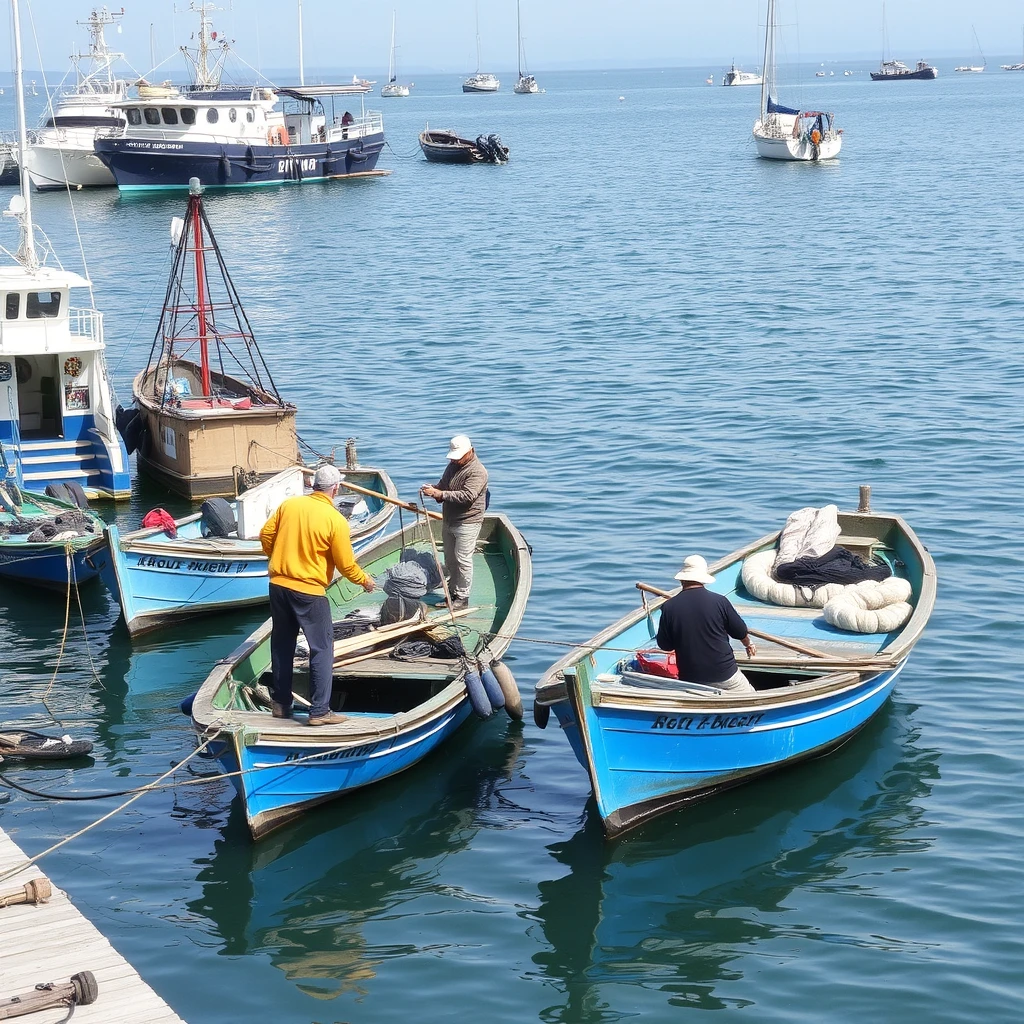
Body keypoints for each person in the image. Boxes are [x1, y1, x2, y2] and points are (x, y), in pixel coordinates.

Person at [260, 463, 375, 726]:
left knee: (282, 644)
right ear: (336, 489)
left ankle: (280, 704)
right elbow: (346, 565)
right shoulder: (335, 520)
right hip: (309, 592)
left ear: (313, 485)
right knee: (321, 649)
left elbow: (265, 534)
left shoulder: (290, 506)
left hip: (278, 585)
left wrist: (277, 556)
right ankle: (319, 711)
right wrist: (365, 581)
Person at [655, 554, 757, 693]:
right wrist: (748, 644)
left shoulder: (668, 607)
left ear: (682, 580)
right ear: (703, 579)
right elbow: (740, 632)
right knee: (750, 696)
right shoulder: (720, 602)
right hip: (725, 675)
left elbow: (665, 645)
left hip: (690, 679)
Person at [420, 435, 488, 610]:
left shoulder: (478, 471)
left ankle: (462, 597)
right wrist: (433, 489)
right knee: (450, 560)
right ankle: (452, 594)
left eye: (458, 457)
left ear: (470, 451)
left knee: (463, 560)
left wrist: (439, 494)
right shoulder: (452, 466)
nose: (455, 461)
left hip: (468, 522)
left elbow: (467, 496)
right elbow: (444, 485)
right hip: (449, 520)